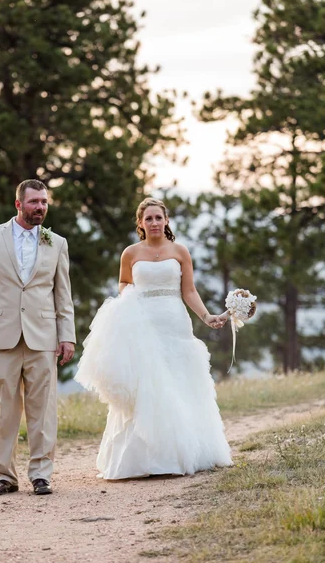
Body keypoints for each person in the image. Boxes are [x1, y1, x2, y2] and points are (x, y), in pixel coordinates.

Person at [75, 197, 232, 480]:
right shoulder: (131, 253)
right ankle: (141, 459)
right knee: (147, 384)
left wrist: (207, 317)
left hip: (175, 322)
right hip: (142, 325)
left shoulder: (180, 251)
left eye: (159, 217)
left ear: (166, 220)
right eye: (149, 219)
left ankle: (182, 453)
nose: (154, 223)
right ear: (140, 223)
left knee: (178, 383)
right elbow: (124, 284)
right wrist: (129, 301)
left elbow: (189, 291)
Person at [0, 179, 76, 496]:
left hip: (43, 337)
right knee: (6, 410)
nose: (40, 207)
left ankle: (41, 474)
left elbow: (63, 296)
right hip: (2, 337)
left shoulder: (56, 242)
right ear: (18, 204)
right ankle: (5, 475)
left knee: (43, 410)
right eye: (34, 202)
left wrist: (67, 336)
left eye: (44, 202)